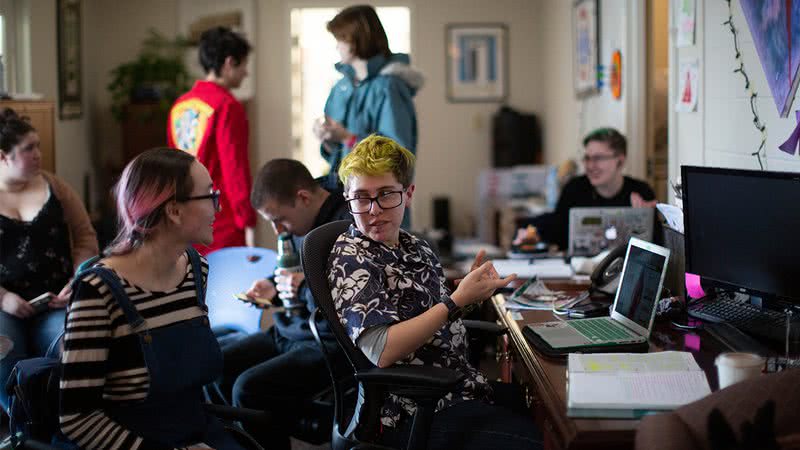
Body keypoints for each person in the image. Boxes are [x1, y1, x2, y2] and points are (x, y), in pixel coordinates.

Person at [327, 135, 543, 450]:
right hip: (412, 409)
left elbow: (434, 316)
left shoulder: (415, 245)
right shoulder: (351, 257)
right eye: (361, 197)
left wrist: (470, 296)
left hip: (461, 388)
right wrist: (456, 300)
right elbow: (382, 350)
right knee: (541, 440)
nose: (373, 210)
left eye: (386, 194)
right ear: (348, 198)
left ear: (408, 194)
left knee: (552, 408)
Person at [59, 148, 245, 450]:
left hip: (197, 433)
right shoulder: (98, 291)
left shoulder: (195, 270)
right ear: (173, 210)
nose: (218, 208)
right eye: (210, 196)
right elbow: (77, 418)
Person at [219, 159, 351, 450]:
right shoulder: (303, 217)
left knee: (248, 389)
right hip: (293, 330)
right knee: (217, 365)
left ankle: (320, 423)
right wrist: (274, 287)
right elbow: (300, 273)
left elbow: (347, 298)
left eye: (280, 220)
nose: (279, 230)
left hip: (328, 341)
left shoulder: (346, 224)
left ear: (303, 198)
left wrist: (302, 286)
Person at [0, 108, 98, 412]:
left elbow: (85, 237)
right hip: (6, 306)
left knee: (69, 348)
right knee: (4, 354)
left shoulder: (55, 186)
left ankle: (59, 424)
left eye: (38, 146)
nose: (39, 154)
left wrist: (77, 280)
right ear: (3, 156)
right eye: (29, 148)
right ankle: (21, 429)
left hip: (57, 298)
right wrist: (3, 298)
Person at [168, 26, 257, 254]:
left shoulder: (180, 105)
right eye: (244, 65)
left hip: (184, 218)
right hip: (221, 219)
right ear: (229, 63)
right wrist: (247, 220)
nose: (246, 73)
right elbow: (235, 170)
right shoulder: (227, 106)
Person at [315, 4, 423, 188]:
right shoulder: (341, 87)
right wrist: (327, 138)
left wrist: (348, 138)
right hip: (345, 193)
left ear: (356, 41)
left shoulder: (389, 87)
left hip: (379, 202)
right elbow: (336, 154)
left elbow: (398, 158)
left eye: (340, 39)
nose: (336, 46)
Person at [532, 128, 656, 250]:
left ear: (620, 160)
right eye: (587, 158)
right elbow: (557, 229)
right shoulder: (574, 188)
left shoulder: (641, 192)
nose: (591, 166)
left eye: (598, 158)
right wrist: (533, 233)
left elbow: (655, 246)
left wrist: (642, 221)